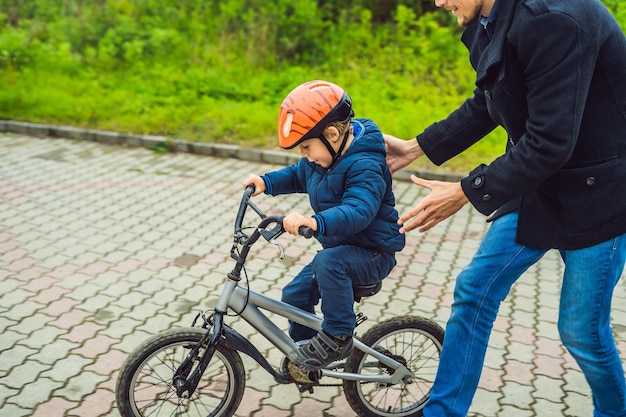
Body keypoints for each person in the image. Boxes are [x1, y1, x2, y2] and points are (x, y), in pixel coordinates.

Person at [384, 0, 626, 415]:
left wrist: (464, 191)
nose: (439, 2)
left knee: (580, 331)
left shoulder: (554, 21)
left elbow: (549, 142)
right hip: (536, 182)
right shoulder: (490, 17)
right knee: (475, 289)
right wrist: (416, 146)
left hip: (598, 192)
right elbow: (490, 100)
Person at [243, 80, 405, 370]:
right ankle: (306, 354)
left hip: (372, 252)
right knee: (294, 295)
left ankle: (338, 335)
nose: (305, 155)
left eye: (306, 146)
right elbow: (297, 175)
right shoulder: (321, 159)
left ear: (332, 134)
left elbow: (358, 211)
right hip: (342, 248)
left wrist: (314, 222)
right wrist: (265, 183)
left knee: (330, 262)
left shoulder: (365, 164)